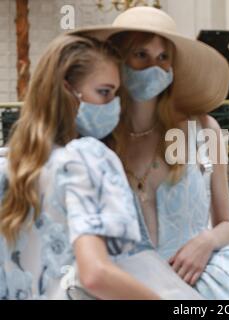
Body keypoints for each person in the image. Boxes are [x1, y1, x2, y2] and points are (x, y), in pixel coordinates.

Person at [73, 6, 229, 300]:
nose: (153, 66)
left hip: (200, 278)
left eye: (162, 57)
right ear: (118, 58)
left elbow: (226, 225)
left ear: (172, 67)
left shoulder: (204, 130)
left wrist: (206, 241)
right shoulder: (96, 139)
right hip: (121, 285)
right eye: (141, 54)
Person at [0, 35, 161, 300]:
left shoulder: (9, 166)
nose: (114, 106)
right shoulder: (87, 158)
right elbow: (96, 275)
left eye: (116, 94)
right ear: (67, 91)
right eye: (104, 92)